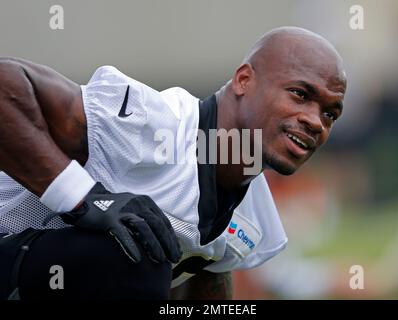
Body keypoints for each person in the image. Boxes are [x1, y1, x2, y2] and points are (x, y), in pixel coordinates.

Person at [0, 26, 346, 300]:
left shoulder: (253, 217)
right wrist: (81, 197)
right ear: (244, 80)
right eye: (300, 95)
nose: (316, 122)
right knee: (134, 255)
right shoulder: (150, 126)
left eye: (330, 114)